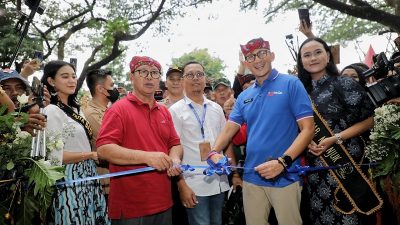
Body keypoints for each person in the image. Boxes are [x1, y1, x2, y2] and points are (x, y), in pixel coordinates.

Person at [212, 37, 315, 225]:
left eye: (262, 53)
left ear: (272, 55)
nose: (257, 60)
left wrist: (283, 162)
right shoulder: (244, 95)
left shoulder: (291, 84)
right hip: (252, 176)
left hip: (285, 174)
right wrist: (214, 151)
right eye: (251, 56)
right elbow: (229, 129)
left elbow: (308, 129)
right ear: (245, 62)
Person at [297, 37, 378, 225]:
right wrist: (306, 141)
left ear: (328, 55)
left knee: (350, 216)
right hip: (317, 169)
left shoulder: (344, 83)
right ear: (301, 61)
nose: (313, 58)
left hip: (347, 162)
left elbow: (370, 120)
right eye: (307, 55)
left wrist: (336, 138)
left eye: (318, 52)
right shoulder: (300, 91)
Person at [96, 56, 183, 225]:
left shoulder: (164, 111)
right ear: (131, 77)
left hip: (164, 202)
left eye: (155, 73)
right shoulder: (118, 110)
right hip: (131, 208)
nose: (149, 77)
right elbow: (104, 149)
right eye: (143, 72)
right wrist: (147, 157)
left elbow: (175, 143)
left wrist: (175, 159)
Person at [41, 60, 110, 224]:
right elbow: (55, 157)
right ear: (51, 81)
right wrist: (90, 155)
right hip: (68, 178)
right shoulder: (51, 110)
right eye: (65, 77)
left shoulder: (76, 109)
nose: (72, 80)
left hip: (89, 174)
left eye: (73, 76)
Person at [169, 61, 230, 225]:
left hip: (219, 180)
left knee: (218, 221)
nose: (195, 78)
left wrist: (234, 174)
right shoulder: (175, 111)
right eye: (190, 75)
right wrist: (181, 184)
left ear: (205, 79)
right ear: (182, 80)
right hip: (194, 183)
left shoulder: (216, 108)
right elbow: (173, 149)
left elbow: (226, 141)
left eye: (199, 74)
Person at [83, 69, 119, 198]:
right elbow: (115, 141)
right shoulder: (91, 113)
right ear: (100, 89)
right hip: (106, 181)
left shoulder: (109, 109)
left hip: (116, 177)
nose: (115, 89)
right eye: (111, 85)